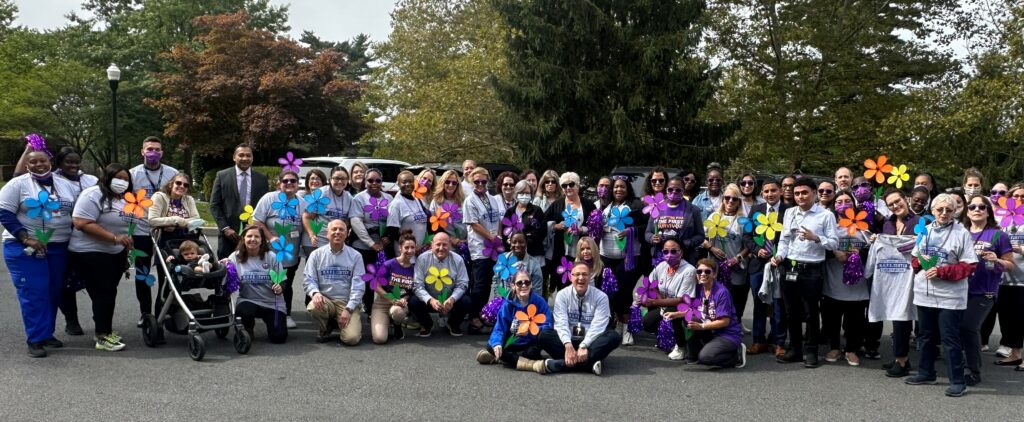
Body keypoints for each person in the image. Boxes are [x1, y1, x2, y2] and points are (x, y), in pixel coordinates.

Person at [0, 148, 76, 357]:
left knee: (53, 291)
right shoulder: (18, 185)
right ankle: (35, 339)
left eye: (42, 160)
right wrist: (25, 237)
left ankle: (46, 334)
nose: (39, 165)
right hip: (25, 246)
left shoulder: (66, 184)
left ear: (50, 161)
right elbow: (4, 213)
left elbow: (76, 211)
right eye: (33, 162)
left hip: (58, 246)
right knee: (35, 292)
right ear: (27, 165)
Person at [904, 193, 977, 397]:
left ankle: (957, 380)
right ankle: (926, 372)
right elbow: (914, 259)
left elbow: (970, 266)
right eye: (940, 209)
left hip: (950, 296)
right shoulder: (925, 230)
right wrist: (921, 262)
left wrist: (942, 271)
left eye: (949, 210)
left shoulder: (961, 233)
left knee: (949, 338)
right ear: (933, 210)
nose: (944, 213)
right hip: (925, 292)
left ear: (955, 212)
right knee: (925, 336)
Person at [69, 163, 138, 352]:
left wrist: (125, 238)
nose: (122, 182)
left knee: (108, 292)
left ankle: (105, 328)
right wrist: (114, 238)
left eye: (126, 179)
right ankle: (102, 335)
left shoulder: (124, 199)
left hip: (114, 252)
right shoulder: (93, 195)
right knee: (103, 292)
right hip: (90, 251)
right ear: (107, 177)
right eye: (118, 178)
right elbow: (81, 222)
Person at [771, 177, 838, 368]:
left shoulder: (826, 215)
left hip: (812, 270)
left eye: (804, 192)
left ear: (814, 193)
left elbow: (834, 243)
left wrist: (816, 237)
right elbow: (784, 241)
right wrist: (779, 257)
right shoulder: (790, 212)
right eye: (797, 193)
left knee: (811, 313)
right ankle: (795, 349)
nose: (800, 196)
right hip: (790, 268)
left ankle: (811, 351)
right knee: (791, 312)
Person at [959, 194, 1014, 386]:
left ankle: (973, 370)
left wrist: (996, 259)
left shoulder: (999, 235)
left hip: (984, 291)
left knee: (968, 327)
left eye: (982, 207)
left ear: (988, 211)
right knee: (956, 329)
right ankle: (961, 365)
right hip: (958, 290)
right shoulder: (961, 232)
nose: (976, 210)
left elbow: (1010, 264)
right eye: (972, 206)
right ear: (967, 211)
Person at [129, 136, 178, 327]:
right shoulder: (133, 174)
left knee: (166, 274)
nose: (153, 153)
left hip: (166, 233)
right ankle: (145, 313)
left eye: (157, 149)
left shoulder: (172, 174)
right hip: (141, 231)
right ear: (142, 151)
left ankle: (160, 313)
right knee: (142, 274)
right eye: (149, 149)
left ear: (162, 153)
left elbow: (180, 199)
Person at [538, 262, 621, 375]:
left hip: (591, 342)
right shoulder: (562, 295)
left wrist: (584, 345)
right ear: (571, 277)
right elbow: (560, 323)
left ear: (590, 276)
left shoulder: (601, 297)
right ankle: (589, 364)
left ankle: (561, 364)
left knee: (614, 336)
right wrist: (568, 345)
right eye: (577, 274)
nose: (581, 278)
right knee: (543, 335)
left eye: (584, 274)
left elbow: (599, 326)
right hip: (568, 340)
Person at [51, 146, 99, 336]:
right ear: (60, 163)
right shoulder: (53, 180)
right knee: (65, 283)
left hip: (91, 237)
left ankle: (101, 322)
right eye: (68, 162)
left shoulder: (91, 180)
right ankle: (71, 320)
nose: (73, 165)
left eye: (76, 161)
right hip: (64, 238)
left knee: (95, 281)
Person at [666, 258, 746, 368]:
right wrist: (677, 314)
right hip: (712, 330)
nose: (703, 274)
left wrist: (701, 326)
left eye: (707, 271)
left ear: (714, 274)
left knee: (705, 358)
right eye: (699, 271)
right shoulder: (700, 288)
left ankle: (735, 356)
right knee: (689, 319)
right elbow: (697, 309)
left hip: (727, 334)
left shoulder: (722, 292)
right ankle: (695, 354)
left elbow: (725, 321)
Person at [821, 190, 870, 366]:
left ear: (854, 204)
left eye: (848, 201)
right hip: (833, 281)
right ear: (834, 205)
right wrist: (835, 253)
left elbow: (874, 248)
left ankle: (851, 349)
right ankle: (834, 347)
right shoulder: (829, 224)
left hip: (858, 284)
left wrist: (861, 253)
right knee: (831, 318)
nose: (844, 204)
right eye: (839, 201)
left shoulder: (864, 224)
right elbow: (818, 247)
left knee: (855, 319)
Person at [252, 171, 307, 329]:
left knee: (286, 283)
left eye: (293, 181)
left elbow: (307, 225)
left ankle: (286, 313)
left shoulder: (302, 203)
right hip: (269, 252)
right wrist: (270, 237)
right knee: (266, 281)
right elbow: (257, 221)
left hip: (291, 253)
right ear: (279, 183)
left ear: (298, 184)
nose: (289, 183)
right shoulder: (269, 198)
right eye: (285, 181)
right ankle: (263, 311)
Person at [874, 188, 919, 376]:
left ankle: (902, 361)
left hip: (916, 277)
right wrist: (878, 240)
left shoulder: (921, 222)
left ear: (906, 199)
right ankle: (901, 358)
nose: (895, 206)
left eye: (897, 201)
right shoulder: (887, 223)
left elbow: (926, 242)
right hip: (893, 277)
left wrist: (901, 244)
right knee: (897, 317)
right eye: (891, 204)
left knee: (906, 319)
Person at [743, 178, 789, 357]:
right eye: (766, 191)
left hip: (779, 265)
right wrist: (756, 250)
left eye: (773, 190)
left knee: (779, 304)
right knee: (759, 304)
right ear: (762, 193)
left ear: (780, 192)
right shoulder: (756, 210)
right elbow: (747, 236)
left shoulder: (789, 212)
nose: (770, 194)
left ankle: (778, 342)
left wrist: (780, 256)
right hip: (758, 265)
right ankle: (758, 341)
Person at [476, 270, 552, 373]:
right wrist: (497, 343)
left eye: (527, 282)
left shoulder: (540, 302)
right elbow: (499, 329)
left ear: (531, 284)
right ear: (513, 286)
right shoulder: (507, 304)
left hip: (530, 342)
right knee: (490, 346)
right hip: (511, 342)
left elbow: (548, 327)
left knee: (532, 353)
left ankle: (501, 357)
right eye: (520, 283)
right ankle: (529, 364)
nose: (524, 285)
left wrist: (531, 331)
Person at [304, 219, 366, 345]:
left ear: (347, 233)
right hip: (326, 300)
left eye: (341, 229)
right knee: (314, 306)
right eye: (334, 229)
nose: (337, 232)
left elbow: (359, 286)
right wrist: (315, 293)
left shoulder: (356, 256)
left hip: (346, 301)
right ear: (327, 233)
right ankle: (325, 327)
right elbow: (308, 279)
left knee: (351, 339)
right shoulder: (316, 255)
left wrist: (349, 309)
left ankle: (339, 322)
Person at [599, 176, 645, 337]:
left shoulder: (636, 206)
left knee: (624, 292)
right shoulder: (605, 206)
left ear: (628, 189)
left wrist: (630, 231)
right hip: (606, 255)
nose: (619, 190)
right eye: (616, 187)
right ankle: (616, 323)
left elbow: (646, 226)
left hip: (627, 257)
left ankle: (627, 329)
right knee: (607, 292)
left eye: (622, 187)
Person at [209, 144, 270, 261]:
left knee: (252, 271)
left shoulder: (262, 179)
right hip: (229, 236)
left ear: (252, 158)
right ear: (234, 157)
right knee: (227, 270)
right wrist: (225, 228)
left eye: (248, 155)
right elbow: (214, 205)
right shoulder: (222, 176)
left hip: (254, 236)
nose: (245, 158)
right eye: (241, 155)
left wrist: (257, 226)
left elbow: (265, 206)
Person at [228, 225, 287, 344]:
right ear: (243, 238)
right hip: (248, 300)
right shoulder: (235, 257)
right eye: (249, 236)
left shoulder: (271, 257)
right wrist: (225, 266)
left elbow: (282, 279)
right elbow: (228, 280)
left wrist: (280, 286)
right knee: (244, 311)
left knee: (279, 338)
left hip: (271, 302)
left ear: (262, 240)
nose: (253, 239)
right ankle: (248, 326)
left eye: (257, 236)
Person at [638, 239, 697, 358]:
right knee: (646, 323)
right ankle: (667, 337)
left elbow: (681, 299)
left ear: (681, 253)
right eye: (666, 252)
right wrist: (658, 299)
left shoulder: (689, 270)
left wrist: (654, 302)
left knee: (670, 312)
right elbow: (650, 283)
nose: (669, 255)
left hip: (685, 308)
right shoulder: (662, 265)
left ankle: (681, 347)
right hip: (664, 305)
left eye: (673, 251)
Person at [702, 183, 749, 330]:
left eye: (734, 199)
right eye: (727, 198)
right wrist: (712, 247)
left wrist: (737, 258)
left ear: (739, 202)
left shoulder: (743, 220)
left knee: (734, 300)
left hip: (735, 268)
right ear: (722, 200)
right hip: (716, 267)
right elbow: (701, 238)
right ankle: (715, 327)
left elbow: (749, 245)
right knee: (715, 299)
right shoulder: (714, 216)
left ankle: (733, 328)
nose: (730, 201)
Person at [464, 167, 505, 332]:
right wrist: (491, 237)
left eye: (483, 181)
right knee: (480, 285)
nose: (480, 184)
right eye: (476, 181)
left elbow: (499, 219)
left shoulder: (492, 198)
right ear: (471, 182)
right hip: (480, 248)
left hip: (495, 246)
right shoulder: (469, 201)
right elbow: (474, 224)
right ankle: (473, 318)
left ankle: (483, 315)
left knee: (489, 283)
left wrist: (499, 237)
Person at [350, 168, 395, 313]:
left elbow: (393, 220)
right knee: (368, 278)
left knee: (385, 277)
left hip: (383, 245)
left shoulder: (388, 199)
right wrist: (371, 243)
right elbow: (356, 222)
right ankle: (368, 308)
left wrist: (387, 237)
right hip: (363, 245)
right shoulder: (359, 199)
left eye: (378, 180)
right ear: (365, 181)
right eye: (370, 180)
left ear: (382, 182)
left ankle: (388, 307)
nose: (374, 183)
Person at [410, 232, 472, 336]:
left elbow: (463, 284)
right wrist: (430, 300)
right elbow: (417, 285)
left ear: (450, 246)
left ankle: (453, 324)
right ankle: (427, 325)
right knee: (413, 301)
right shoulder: (422, 259)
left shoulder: (458, 259)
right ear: (432, 245)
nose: (441, 248)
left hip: (450, 301)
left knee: (467, 300)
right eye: (438, 244)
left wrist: (452, 299)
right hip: (430, 300)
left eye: (445, 244)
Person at [544, 172, 597, 284]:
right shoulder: (557, 204)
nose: (568, 188)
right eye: (564, 185)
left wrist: (581, 230)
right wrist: (555, 226)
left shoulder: (588, 204)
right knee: (562, 282)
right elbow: (544, 221)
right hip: (561, 251)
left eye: (571, 184)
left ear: (577, 186)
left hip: (582, 251)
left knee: (581, 281)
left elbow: (595, 226)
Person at [994, 184, 1024, 371]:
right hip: (1004, 279)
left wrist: (1018, 249)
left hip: (1023, 279)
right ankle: (1015, 353)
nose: (1019, 199)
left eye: (1023, 196)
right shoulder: (1003, 220)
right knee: (1008, 319)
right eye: (1016, 196)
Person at [646, 176, 705, 266]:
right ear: (666, 190)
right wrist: (652, 238)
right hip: (660, 257)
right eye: (670, 189)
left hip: (685, 258)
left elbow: (700, 236)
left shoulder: (693, 210)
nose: (673, 192)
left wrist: (686, 243)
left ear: (683, 191)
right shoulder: (657, 207)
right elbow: (648, 232)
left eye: (678, 190)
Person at [370, 233, 417, 344]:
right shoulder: (389, 264)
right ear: (400, 248)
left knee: (397, 313)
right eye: (406, 247)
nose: (409, 250)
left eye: (412, 247)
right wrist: (391, 298)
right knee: (379, 339)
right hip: (381, 303)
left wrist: (404, 299)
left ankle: (397, 325)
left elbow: (410, 290)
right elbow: (375, 285)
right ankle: (386, 321)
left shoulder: (414, 269)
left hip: (399, 304)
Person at [302, 166, 353, 256]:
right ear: (330, 179)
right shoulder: (321, 193)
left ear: (347, 180)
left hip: (335, 242)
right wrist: (312, 235)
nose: (340, 181)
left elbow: (347, 220)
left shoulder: (348, 197)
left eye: (343, 179)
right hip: (316, 241)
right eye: (337, 178)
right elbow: (307, 217)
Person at [500, 180, 546, 269]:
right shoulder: (510, 212)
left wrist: (525, 241)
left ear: (531, 194)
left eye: (527, 193)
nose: (524, 196)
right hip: (514, 256)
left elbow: (542, 232)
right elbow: (504, 232)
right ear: (516, 194)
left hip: (534, 254)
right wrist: (509, 241)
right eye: (521, 193)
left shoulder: (537, 211)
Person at [148, 173, 201, 247]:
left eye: (185, 185)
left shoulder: (189, 199)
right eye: (178, 183)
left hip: (187, 239)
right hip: (165, 239)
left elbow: (196, 219)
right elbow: (152, 220)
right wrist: (175, 220)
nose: (182, 186)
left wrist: (176, 224)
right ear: (171, 185)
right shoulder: (159, 197)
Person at [388, 170, 430, 254]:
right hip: (405, 253)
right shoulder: (396, 204)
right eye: (404, 182)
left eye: (410, 181)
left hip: (420, 252)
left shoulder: (418, 201)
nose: (408, 184)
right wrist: (411, 247)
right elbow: (392, 232)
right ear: (398, 184)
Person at [533, 170, 562, 293]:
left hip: (560, 243)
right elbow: (535, 223)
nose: (550, 184)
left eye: (553, 181)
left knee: (558, 276)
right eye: (547, 182)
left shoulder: (563, 200)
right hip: (543, 244)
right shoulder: (537, 201)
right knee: (543, 276)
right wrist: (553, 226)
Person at [492, 232, 544, 296]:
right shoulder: (502, 259)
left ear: (526, 243)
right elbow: (496, 281)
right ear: (510, 243)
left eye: (521, 242)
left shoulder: (534, 264)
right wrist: (499, 300)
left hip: (525, 302)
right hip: (503, 300)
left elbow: (537, 290)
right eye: (514, 242)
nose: (517, 245)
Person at [429, 169, 467, 249]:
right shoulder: (436, 202)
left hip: (466, 242)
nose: (450, 185)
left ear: (457, 185)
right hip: (447, 244)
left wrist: (467, 239)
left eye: (454, 183)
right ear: (442, 183)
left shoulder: (464, 200)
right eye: (447, 182)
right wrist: (450, 238)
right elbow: (433, 225)